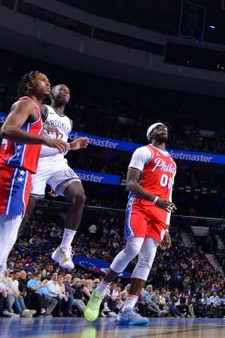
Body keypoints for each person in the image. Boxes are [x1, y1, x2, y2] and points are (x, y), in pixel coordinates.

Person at [0, 71, 69, 326]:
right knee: (4, 240)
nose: (48, 83)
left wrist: (67, 146)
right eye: (43, 80)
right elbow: (6, 130)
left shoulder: (36, 112)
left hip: (11, 173)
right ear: (30, 85)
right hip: (11, 174)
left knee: (3, 240)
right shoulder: (27, 103)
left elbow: (34, 150)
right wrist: (43, 136)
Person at [83, 123, 177, 326]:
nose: (163, 128)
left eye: (165, 127)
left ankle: (127, 310)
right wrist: (155, 200)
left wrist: (167, 226)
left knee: (147, 260)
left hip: (160, 211)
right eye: (158, 127)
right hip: (141, 205)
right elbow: (131, 183)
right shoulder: (143, 151)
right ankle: (99, 292)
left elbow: (169, 193)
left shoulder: (172, 162)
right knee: (133, 248)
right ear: (150, 134)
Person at [26, 83, 89, 270]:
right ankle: (1, 262)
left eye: (68, 91)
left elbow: (61, 148)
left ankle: (64, 247)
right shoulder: (44, 110)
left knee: (80, 196)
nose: (65, 92)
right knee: (25, 214)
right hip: (37, 160)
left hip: (58, 163)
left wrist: (55, 183)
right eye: (61, 89)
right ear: (51, 94)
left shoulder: (69, 122)